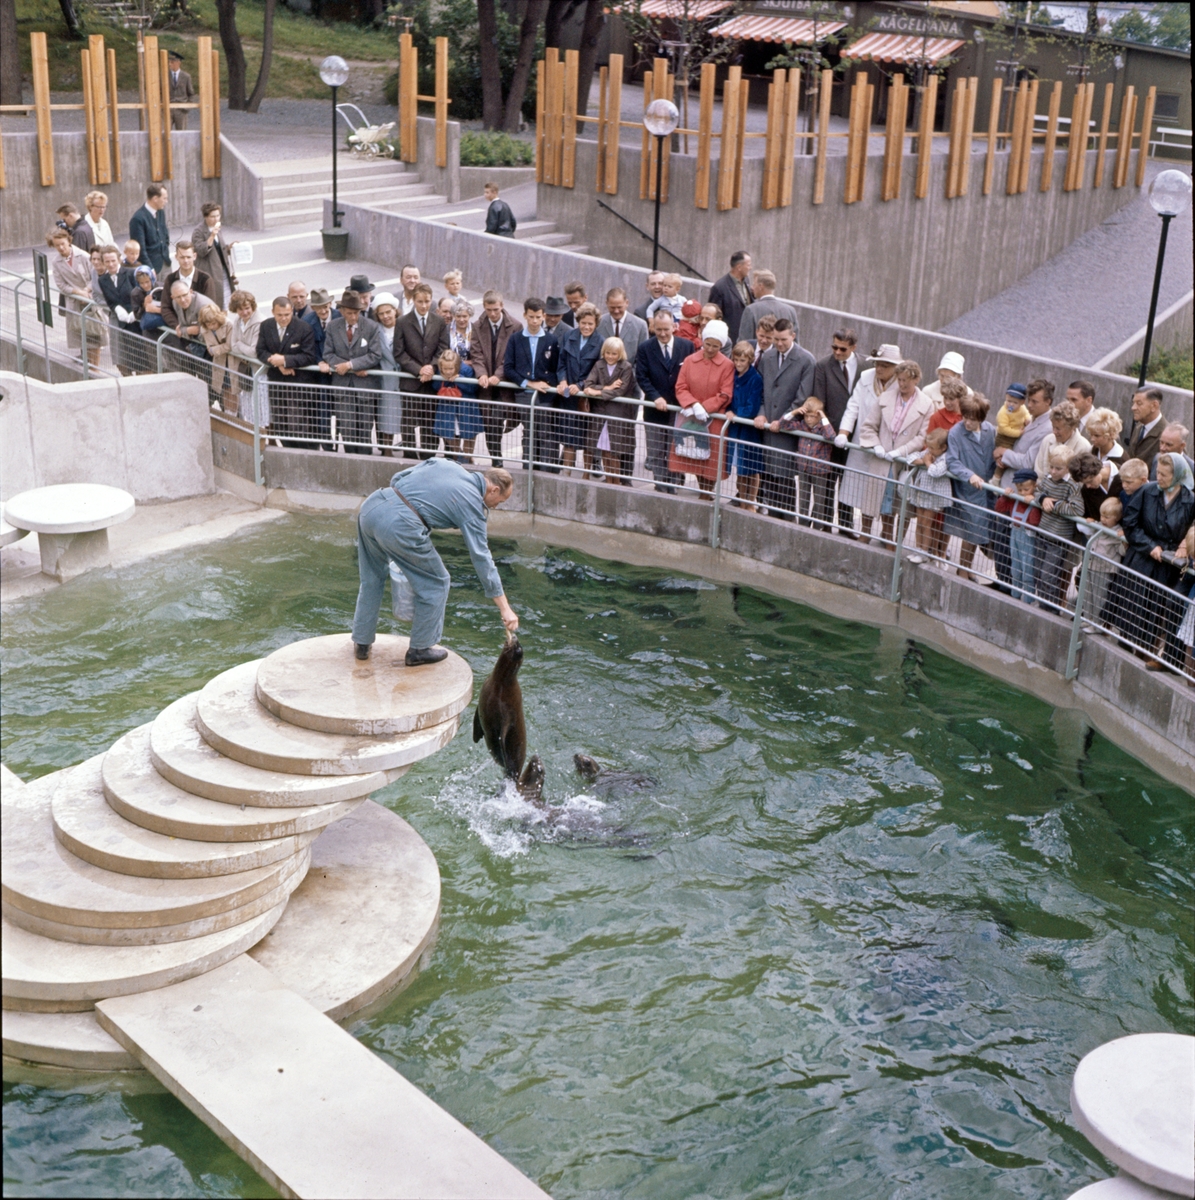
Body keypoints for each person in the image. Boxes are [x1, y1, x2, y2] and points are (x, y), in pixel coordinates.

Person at [351, 459, 519, 666]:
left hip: (373, 506)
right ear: (493, 490)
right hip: (400, 525)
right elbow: (481, 557)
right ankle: (420, 649)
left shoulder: (448, 465)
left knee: (371, 579)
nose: (497, 506)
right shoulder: (473, 504)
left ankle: (361, 642)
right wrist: (504, 608)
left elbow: (398, 478)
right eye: (500, 502)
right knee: (437, 581)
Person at [1116, 452, 1195, 669]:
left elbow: (1191, 528)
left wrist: (1183, 545)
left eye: (1164, 475)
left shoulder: (1190, 500)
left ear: (1177, 475)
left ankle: (1146, 653)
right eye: (1157, 472)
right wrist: (1149, 545)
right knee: (1132, 605)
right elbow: (1130, 523)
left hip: (1168, 565)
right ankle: (1124, 647)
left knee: (1156, 608)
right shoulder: (1146, 491)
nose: (1158, 478)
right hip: (1142, 557)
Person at [860, 359, 934, 548]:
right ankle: (865, 533)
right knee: (871, 497)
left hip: (902, 460)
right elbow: (869, 426)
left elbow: (922, 436)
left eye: (905, 381)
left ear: (916, 379)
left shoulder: (927, 404)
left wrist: (900, 451)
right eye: (899, 380)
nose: (901, 384)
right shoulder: (885, 398)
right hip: (881, 457)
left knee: (895, 501)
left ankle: (888, 537)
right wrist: (876, 445)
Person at [755, 319, 815, 520]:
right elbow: (761, 391)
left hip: (786, 429)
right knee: (768, 476)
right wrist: (762, 412)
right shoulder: (768, 357)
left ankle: (787, 521)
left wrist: (783, 420)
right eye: (776, 339)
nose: (779, 344)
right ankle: (771, 518)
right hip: (768, 428)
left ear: (793, 335)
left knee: (785, 479)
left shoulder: (806, 360)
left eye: (783, 339)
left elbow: (802, 398)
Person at [668, 320, 734, 497]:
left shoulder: (727, 365)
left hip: (714, 418)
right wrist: (693, 404)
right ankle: (701, 489)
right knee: (693, 454)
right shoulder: (690, 360)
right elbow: (680, 387)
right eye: (708, 344)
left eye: (716, 346)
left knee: (712, 458)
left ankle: (707, 492)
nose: (711, 349)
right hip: (691, 415)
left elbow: (726, 393)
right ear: (702, 341)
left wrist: (705, 407)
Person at [809, 328, 860, 535]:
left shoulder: (865, 366)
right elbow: (820, 401)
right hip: (831, 436)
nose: (837, 352)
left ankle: (847, 526)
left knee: (849, 482)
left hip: (855, 436)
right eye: (834, 347)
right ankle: (825, 524)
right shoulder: (823, 365)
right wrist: (831, 431)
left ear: (853, 348)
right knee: (829, 481)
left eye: (842, 349)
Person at [635, 309, 692, 494]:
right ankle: (660, 486)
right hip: (655, 410)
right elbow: (642, 377)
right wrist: (655, 396)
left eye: (666, 329)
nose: (662, 334)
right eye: (658, 329)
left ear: (674, 326)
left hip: (678, 409)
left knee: (675, 449)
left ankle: (674, 486)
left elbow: (691, 376)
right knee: (657, 450)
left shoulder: (687, 346)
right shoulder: (645, 348)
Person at [944, 393, 998, 582]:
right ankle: (963, 569)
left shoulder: (990, 430)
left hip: (987, 490)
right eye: (965, 417)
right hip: (968, 490)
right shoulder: (956, 432)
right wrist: (970, 476)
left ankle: (966, 568)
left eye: (972, 420)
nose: (967, 423)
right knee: (971, 529)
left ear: (982, 419)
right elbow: (952, 461)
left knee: (978, 531)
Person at [504, 297, 561, 472]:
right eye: (531, 317)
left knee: (545, 432)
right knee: (529, 432)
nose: (535, 321)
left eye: (538, 317)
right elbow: (509, 368)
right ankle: (528, 469)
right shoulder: (516, 339)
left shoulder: (551, 340)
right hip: (524, 394)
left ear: (543, 316)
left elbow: (555, 368)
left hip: (545, 394)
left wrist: (545, 383)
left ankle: (544, 471)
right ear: (525, 316)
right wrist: (528, 383)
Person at [319, 290, 380, 454]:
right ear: (342, 311)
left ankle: (365, 464)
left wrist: (352, 365)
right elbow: (328, 354)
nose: (353, 317)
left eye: (356, 313)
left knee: (365, 430)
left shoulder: (371, 327)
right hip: (343, 388)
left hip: (364, 388)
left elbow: (375, 355)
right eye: (350, 313)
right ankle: (351, 463)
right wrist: (346, 366)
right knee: (347, 429)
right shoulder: (333, 327)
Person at [396, 282, 451, 459]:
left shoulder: (439, 321)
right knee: (409, 422)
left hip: (431, 381)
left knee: (430, 422)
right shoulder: (402, 322)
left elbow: (443, 347)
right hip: (411, 381)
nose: (424, 305)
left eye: (427, 301)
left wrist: (431, 367)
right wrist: (418, 370)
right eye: (420, 301)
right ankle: (410, 456)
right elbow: (399, 352)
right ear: (413, 300)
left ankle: (429, 458)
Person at [256, 294, 317, 443]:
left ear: (292, 312)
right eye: (279, 315)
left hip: (297, 384)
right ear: (272, 312)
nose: (284, 318)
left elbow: (309, 356)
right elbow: (261, 351)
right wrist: (278, 364)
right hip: (277, 381)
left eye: (287, 315)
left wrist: (285, 360)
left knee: (298, 424)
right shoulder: (266, 326)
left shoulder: (303, 328)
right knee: (279, 421)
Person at [471, 290, 522, 468]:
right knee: (489, 421)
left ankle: (497, 458)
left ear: (502, 307)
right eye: (488, 310)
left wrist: (497, 375)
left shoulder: (515, 326)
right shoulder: (478, 325)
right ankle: (496, 458)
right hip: (486, 384)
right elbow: (476, 353)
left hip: (504, 383)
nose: (492, 314)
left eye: (495, 310)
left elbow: (512, 356)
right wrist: (482, 374)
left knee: (498, 417)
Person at [1034, 447, 1084, 611]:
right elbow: (1037, 492)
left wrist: (1054, 504)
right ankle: (1042, 604)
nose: (1053, 471)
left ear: (1068, 469)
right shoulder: (1047, 479)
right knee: (1039, 573)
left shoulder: (1072, 485)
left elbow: (1077, 509)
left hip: (1058, 538)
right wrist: (1043, 498)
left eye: (1058, 468)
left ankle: (1052, 608)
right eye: (1051, 467)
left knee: (1049, 575)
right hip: (1042, 533)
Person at [582, 337, 637, 484]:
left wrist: (597, 392)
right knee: (599, 447)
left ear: (620, 354)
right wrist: (607, 388)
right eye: (608, 353)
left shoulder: (626, 367)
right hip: (599, 412)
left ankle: (616, 482)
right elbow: (588, 384)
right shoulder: (599, 364)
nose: (610, 356)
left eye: (614, 353)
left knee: (614, 451)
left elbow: (621, 391)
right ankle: (608, 479)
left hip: (617, 413)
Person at [559, 302, 604, 477]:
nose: (586, 327)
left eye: (590, 324)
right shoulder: (568, 336)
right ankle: (567, 473)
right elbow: (561, 363)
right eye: (583, 323)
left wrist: (581, 386)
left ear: (596, 324)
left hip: (587, 397)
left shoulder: (600, 342)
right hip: (569, 397)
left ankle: (585, 475)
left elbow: (597, 372)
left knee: (588, 439)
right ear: (578, 321)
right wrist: (562, 381)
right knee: (569, 438)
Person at [779, 395, 835, 527]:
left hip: (820, 470)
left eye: (813, 416)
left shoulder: (823, 427)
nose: (809, 420)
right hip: (803, 467)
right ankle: (802, 525)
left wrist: (824, 418)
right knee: (803, 498)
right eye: (807, 416)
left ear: (819, 416)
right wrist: (794, 412)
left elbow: (831, 436)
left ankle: (817, 527)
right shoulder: (802, 425)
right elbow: (783, 424)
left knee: (819, 500)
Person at [48, 227, 102, 365]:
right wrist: (79, 293)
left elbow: (94, 276)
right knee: (81, 335)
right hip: (74, 301)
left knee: (94, 335)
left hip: (90, 299)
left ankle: (94, 366)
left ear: (69, 241)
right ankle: (88, 364)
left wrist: (87, 291)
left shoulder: (83, 256)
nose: (60, 248)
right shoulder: (56, 262)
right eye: (57, 245)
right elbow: (61, 285)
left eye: (63, 244)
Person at [725, 341, 764, 511]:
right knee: (739, 468)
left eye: (743, 360)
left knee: (751, 467)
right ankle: (742, 501)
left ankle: (750, 502)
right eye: (736, 360)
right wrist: (727, 410)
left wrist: (737, 413)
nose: (739, 364)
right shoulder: (731, 374)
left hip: (748, 430)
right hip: (735, 428)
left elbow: (752, 406)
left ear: (750, 360)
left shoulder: (755, 378)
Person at [907, 427, 954, 565]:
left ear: (943, 447)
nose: (929, 450)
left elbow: (936, 472)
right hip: (922, 492)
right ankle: (918, 548)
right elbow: (910, 457)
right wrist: (922, 461)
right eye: (928, 447)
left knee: (927, 524)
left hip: (933, 496)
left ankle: (924, 552)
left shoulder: (945, 458)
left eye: (933, 448)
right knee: (920, 522)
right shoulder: (928, 453)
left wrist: (927, 462)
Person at [996, 469, 1042, 602]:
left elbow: (1034, 521)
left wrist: (1033, 505)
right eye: (1019, 490)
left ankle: (1028, 599)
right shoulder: (1014, 500)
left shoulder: (1035, 503)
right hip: (1014, 536)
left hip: (1028, 539)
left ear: (1034, 486)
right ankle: (1015, 595)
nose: (1022, 493)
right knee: (1015, 567)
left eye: (1026, 490)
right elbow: (999, 508)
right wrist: (1005, 496)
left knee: (1028, 569)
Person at [1081, 496, 1126, 630]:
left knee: (1100, 596)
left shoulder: (1118, 532)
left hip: (1105, 569)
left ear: (1117, 518)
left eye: (1107, 517)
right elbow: (1090, 536)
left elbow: (1122, 552)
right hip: (1091, 563)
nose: (1103, 520)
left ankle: (1097, 624)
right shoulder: (1098, 526)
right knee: (1087, 593)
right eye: (1102, 516)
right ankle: (1087, 618)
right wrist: (1090, 522)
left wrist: (1124, 542)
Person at [432, 349, 481, 462]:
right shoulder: (440, 372)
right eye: (445, 369)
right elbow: (435, 386)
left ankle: (467, 459)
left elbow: (473, 388)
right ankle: (459, 456)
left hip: (466, 407)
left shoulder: (467, 370)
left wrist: (459, 380)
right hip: (447, 407)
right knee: (449, 433)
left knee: (469, 434)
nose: (448, 372)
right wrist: (442, 379)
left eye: (451, 369)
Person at [160, 241, 220, 332]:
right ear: (176, 257)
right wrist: (177, 326)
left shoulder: (205, 279)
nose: (186, 261)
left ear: (194, 256)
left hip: (202, 332)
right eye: (182, 257)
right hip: (179, 332)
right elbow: (165, 307)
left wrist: (195, 328)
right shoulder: (170, 279)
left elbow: (210, 309)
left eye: (188, 257)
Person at [97, 245, 138, 376]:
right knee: (119, 355)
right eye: (107, 261)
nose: (110, 264)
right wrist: (117, 308)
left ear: (119, 260)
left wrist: (135, 311)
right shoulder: (103, 280)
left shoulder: (131, 273)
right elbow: (110, 300)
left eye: (113, 260)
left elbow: (140, 293)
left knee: (138, 356)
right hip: (118, 318)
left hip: (134, 318)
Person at [371, 292, 403, 457]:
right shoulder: (375, 330)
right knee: (386, 413)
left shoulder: (404, 326)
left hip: (404, 376)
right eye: (381, 313)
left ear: (395, 311)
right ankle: (387, 450)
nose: (385, 316)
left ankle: (409, 449)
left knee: (406, 414)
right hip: (385, 377)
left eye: (388, 312)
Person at [1033, 399, 1091, 481]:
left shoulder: (1084, 447)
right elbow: (1038, 472)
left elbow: (1079, 481)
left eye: (1058, 428)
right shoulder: (1047, 440)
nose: (1054, 432)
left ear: (1071, 427)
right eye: (1053, 427)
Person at [737, 269, 798, 343]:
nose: (752, 288)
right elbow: (795, 343)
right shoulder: (790, 311)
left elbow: (743, 343)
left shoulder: (751, 310)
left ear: (760, 286)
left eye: (754, 284)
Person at [192, 203, 237, 302]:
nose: (216, 219)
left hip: (222, 270)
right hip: (210, 272)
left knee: (226, 301)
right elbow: (201, 250)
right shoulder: (198, 231)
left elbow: (218, 247)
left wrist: (229, 247)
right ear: (205, 216)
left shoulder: (216, 228)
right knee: (214, 302)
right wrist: (212, 235)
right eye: (213, 216)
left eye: (218, 215)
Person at [707, 250, 753, 343]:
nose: (750, 268)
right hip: (729, 339)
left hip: (746, 338)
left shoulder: (746, 281)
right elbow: (713, 316)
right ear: (739, 267)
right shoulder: (720, 287)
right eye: (748, 265)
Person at [198, 305, 236, 409]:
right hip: (218, 361)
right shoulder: (204, 328)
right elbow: (209, 344)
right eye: (208, 324)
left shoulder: (229, 324)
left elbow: (229, 346)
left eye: (213, 323)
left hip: (230, 361)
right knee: (218, 386)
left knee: (230, 389)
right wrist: (212, 349)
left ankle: (232, 414)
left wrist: (213, 350)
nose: (211, 326)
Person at [596, 288, 649, 362]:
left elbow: (643, 356)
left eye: (619, 307)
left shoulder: (640, 325)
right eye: (612, 307)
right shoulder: (598, 323)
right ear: (606, 303)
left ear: (626, 303)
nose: (616, 311)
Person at [129, 184, 170, 273]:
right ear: (155, 198)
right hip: (151, 268)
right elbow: (139, 248)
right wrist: (149, 268)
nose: (166, 201)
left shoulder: (161, 212)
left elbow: (165, 235)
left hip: (165, 264)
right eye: (164, 198)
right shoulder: (138, 219)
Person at [1124, 388, 1167, 469]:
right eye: (1133, 403)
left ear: (1154, 406)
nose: (1133, 408)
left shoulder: (1167, 434)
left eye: (1139, 403)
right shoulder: (1139, 427)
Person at [994, 383, 1030, 450]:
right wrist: (1018, 433)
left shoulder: (1022, 408)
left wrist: (1027, 418)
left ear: (1022, 402)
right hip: (1004, 439)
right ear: (1006, 397)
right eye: (1009, 401)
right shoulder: (1003, 412)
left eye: (1015, 402)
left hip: (1018, 435)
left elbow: (1026, 413)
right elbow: (1003, 428)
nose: (1011, 404)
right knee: (1005, 455)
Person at [167, 50, 194, 129]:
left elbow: (191, 93)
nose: (169, 64)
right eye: (169, 62)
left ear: (178, 63)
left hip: (181, 110)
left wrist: (187, 107)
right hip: (168, 109)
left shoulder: (186, 76)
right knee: (164, 132)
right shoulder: (165, 75)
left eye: (172, 62)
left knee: (182, 133)